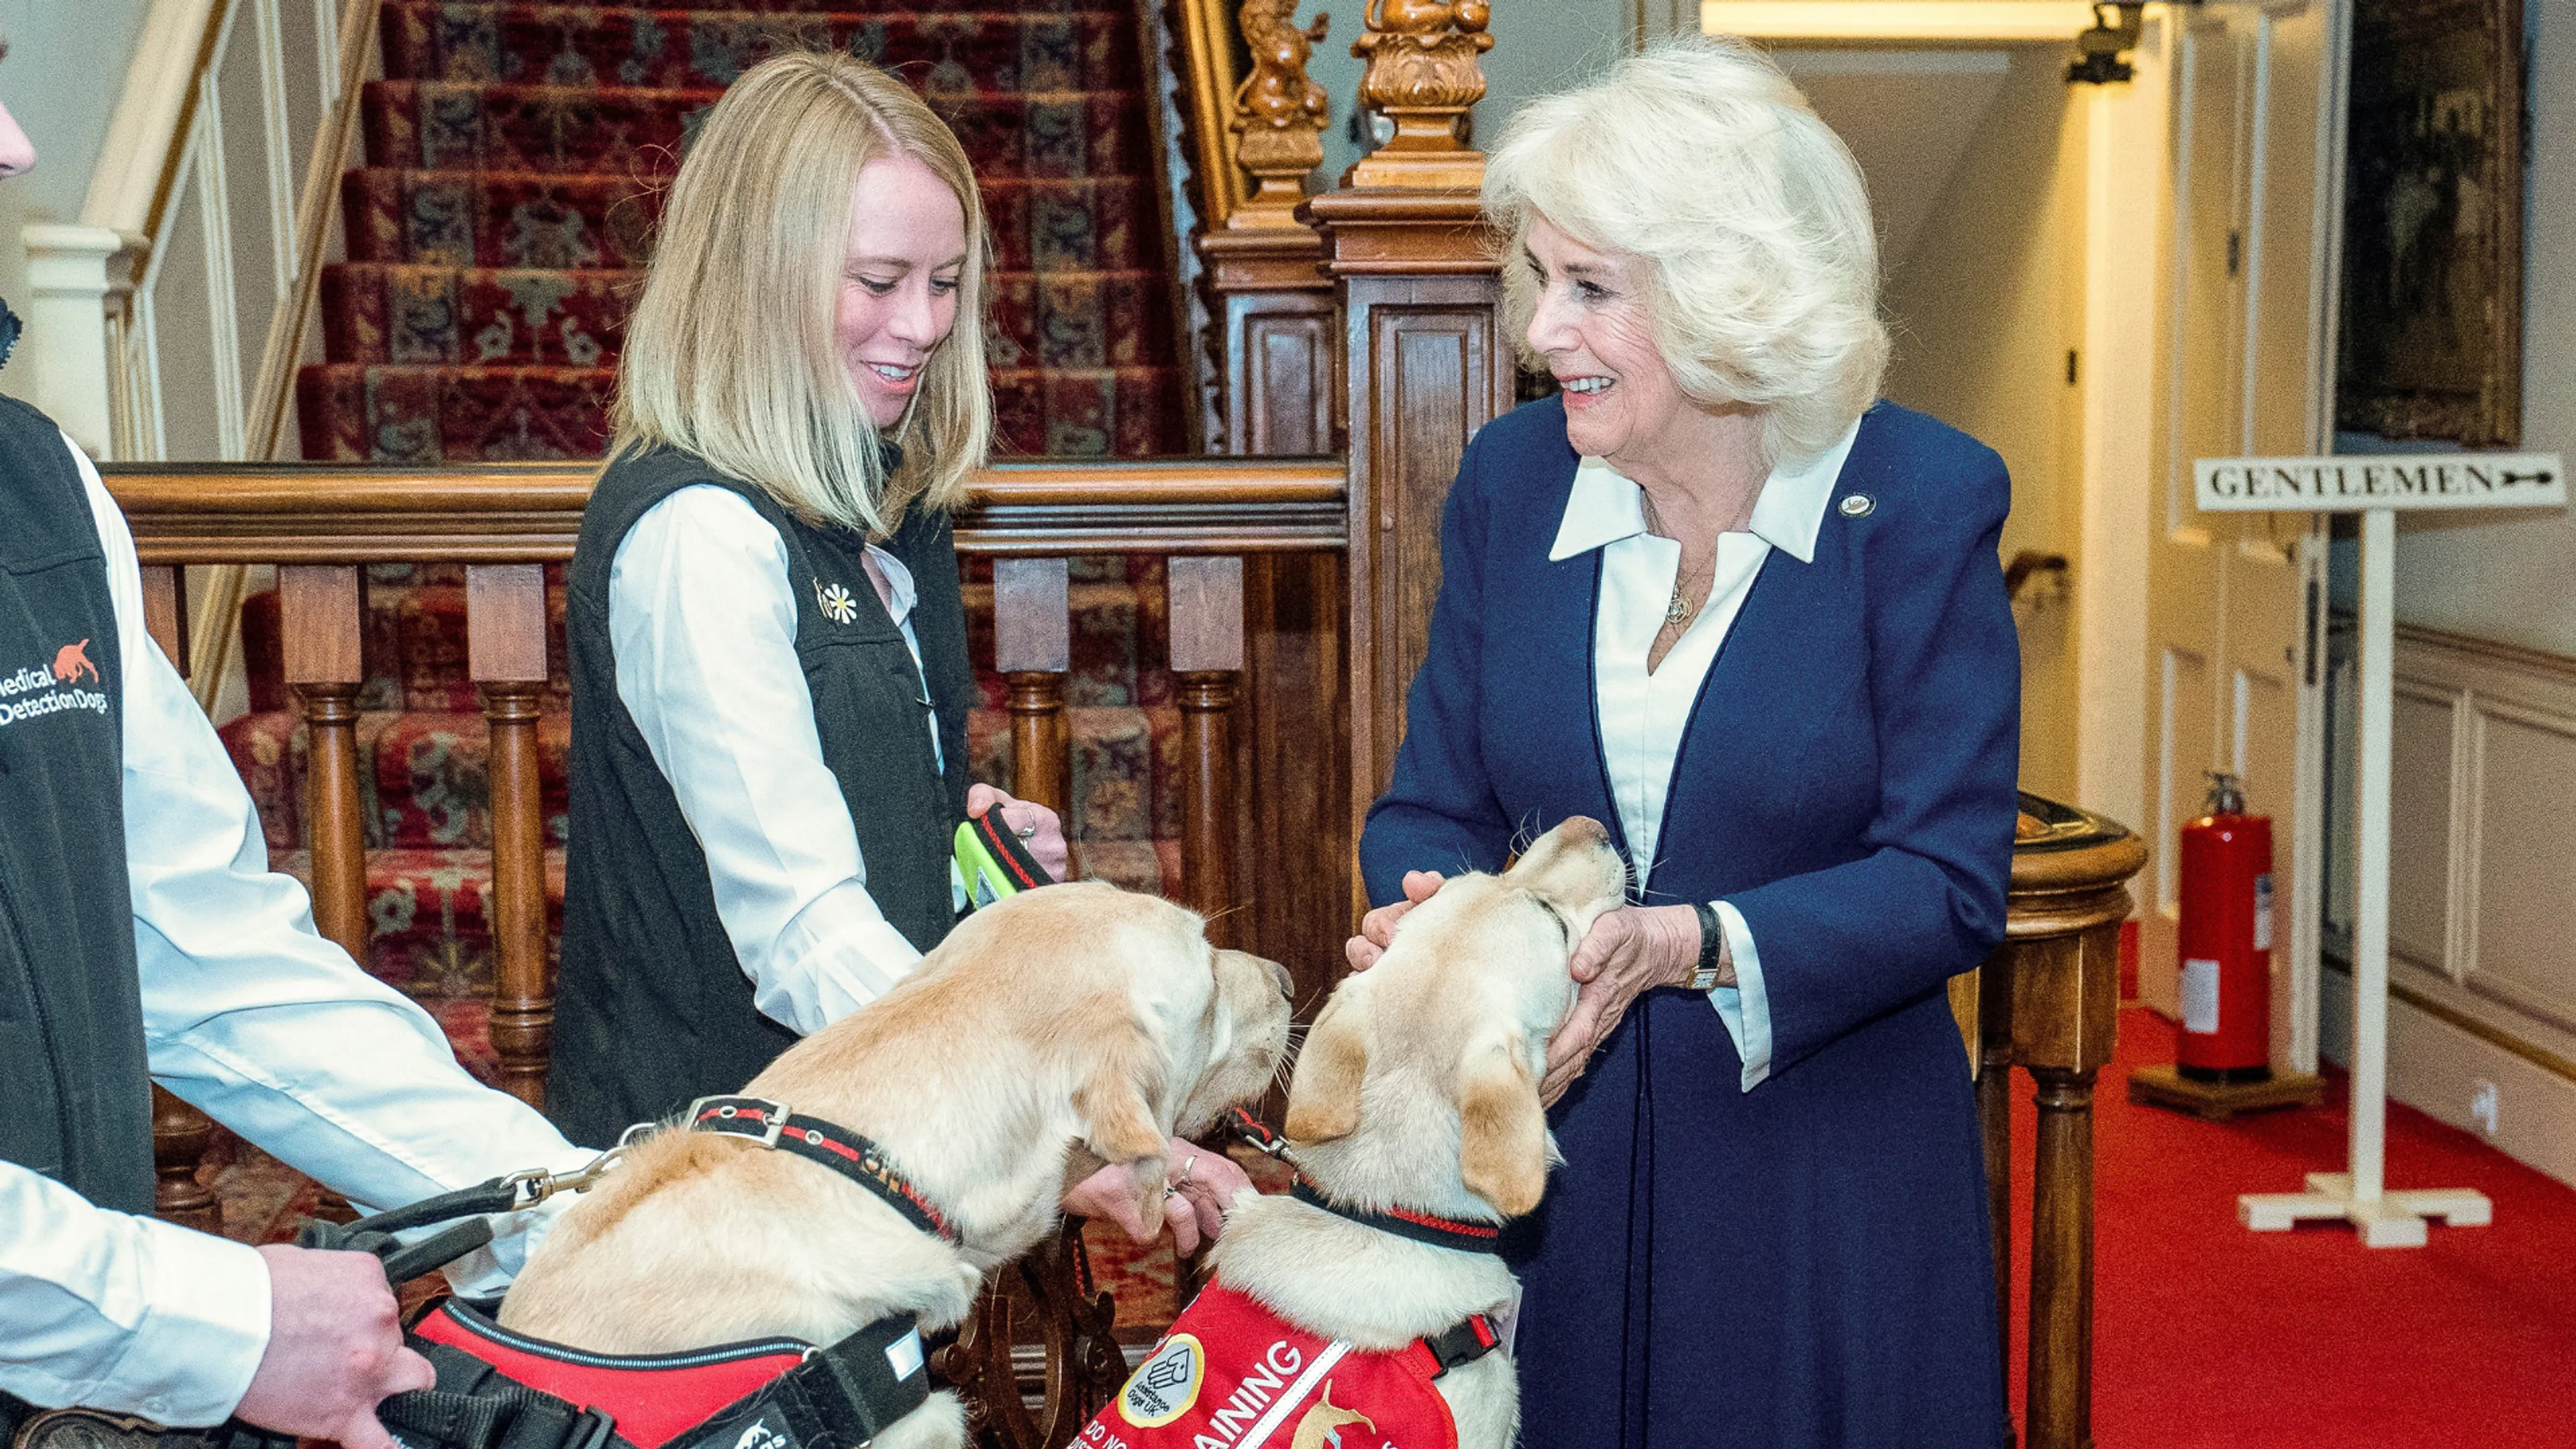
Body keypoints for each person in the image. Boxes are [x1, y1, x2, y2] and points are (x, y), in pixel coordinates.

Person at [1346, 38, 2020, 1446]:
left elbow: (1949, 878)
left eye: (1591, 289)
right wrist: (1436, 919)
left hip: (1820, 1192)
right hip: (1551, 1178)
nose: (1542, 332)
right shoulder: (1512, 482)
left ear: (1731, 301)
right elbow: (1430, 804)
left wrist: (1694, 940)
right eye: (1542, 280)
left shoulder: (1922, 497)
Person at [544, 52, 1248, 1246]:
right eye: (877, 280)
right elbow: (805, 931)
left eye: (946, 283)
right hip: (712, 1193)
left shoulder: (882, 501)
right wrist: (1063, 1117)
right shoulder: (697, 534)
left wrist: (948, 846)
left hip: (860, 1150)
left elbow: (846, 790)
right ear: (756, 277)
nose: (920, 326)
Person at [0, 44, 596, 1449]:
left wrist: (562, 1207)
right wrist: (213, 1322)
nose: (21, 149)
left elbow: (205, 951)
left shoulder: (39, 486)